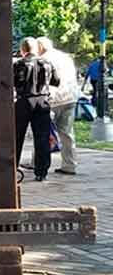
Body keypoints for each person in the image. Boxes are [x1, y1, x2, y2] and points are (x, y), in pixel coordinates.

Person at [13, 37, 59, 182]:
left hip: (24, 101)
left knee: (17, 136)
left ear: (23, 50)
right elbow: (56, 81)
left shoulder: (19, 64)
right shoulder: (47, 63)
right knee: (42, 137)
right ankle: (41, 171)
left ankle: (13, 167)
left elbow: (12, 82)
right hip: (42, 101)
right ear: (36, 49)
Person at [37, 37, 79, 175]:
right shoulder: (66, 57)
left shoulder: (43, 59)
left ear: (40, 47)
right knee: (67, 133)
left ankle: (38, 163)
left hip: (52, 100)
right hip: (70, 98)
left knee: (42, 132)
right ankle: (70, 165)